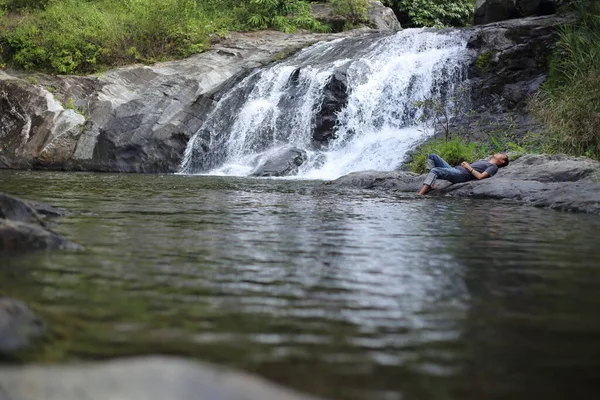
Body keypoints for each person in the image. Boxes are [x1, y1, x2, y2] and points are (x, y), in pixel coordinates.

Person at [418, 153, 509, 195]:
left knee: (435, 170)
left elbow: (480, 177)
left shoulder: (493, 167)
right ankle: (431, 184)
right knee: (432, 156)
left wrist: (468, 167)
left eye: (502, 154)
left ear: (501, 161)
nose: (499, 153)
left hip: (461, 175)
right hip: (457, 169)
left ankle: (420, 195)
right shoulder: (484, 161)